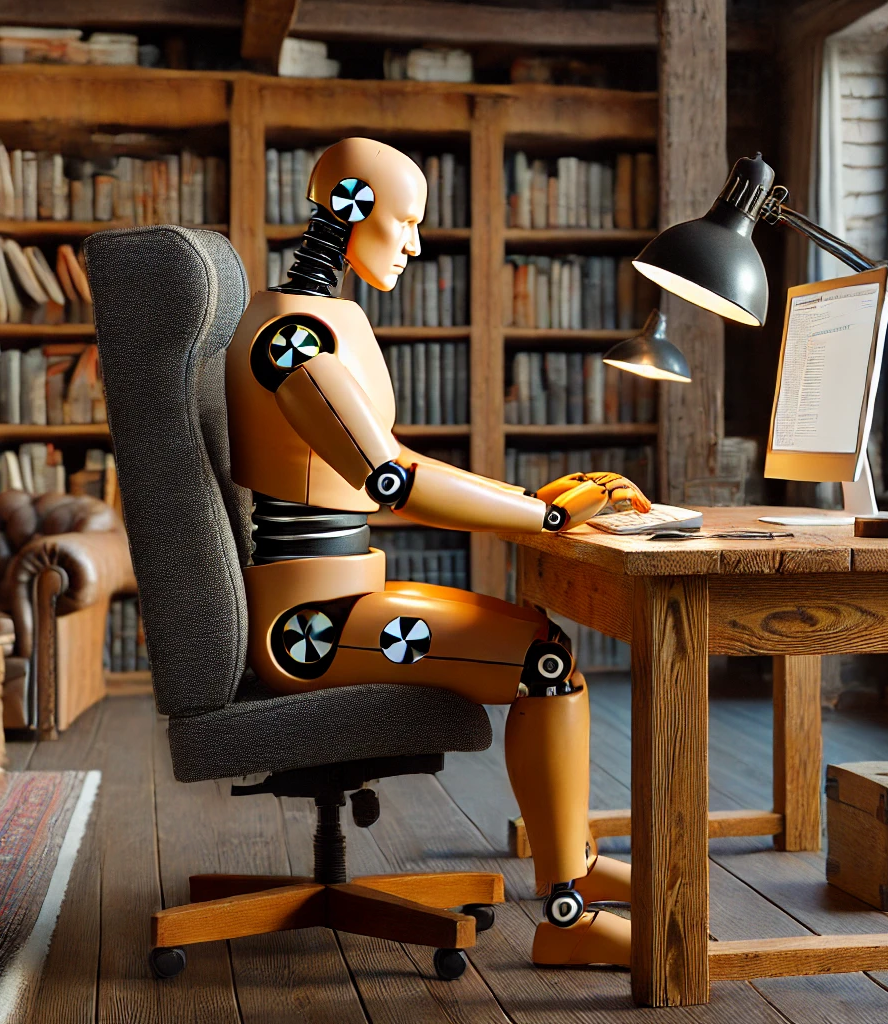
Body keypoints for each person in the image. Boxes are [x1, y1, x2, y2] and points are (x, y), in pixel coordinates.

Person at [224, 137, 645, 967]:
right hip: (307, 626)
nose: (415, 244)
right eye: (405, 221)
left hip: (339, 598)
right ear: (350, 207)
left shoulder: (322, 318)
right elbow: (388, 477)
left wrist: (536, 505)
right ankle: (566, 921)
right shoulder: (291, 339)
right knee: (545, 660)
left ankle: (579, 865)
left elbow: (395, 454)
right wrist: (541, 518)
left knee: (538, 636)